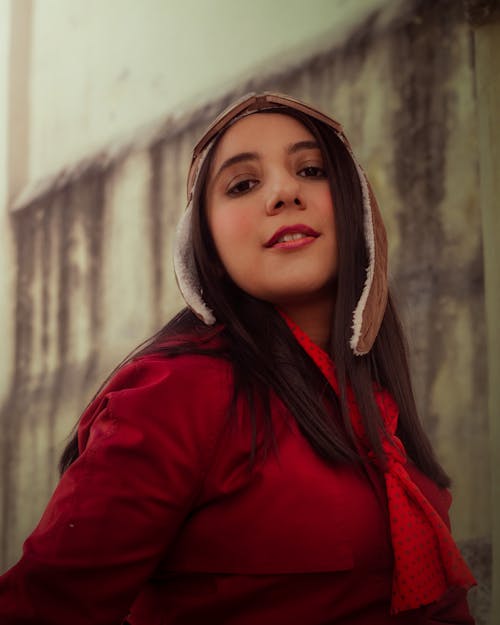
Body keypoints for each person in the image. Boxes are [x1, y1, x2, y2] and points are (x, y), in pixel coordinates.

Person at [0, 92, 476, 624]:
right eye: (243, 184)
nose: (283, 192)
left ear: (357, 211)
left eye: (312, 169)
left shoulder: (379, 406)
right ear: (208, 251)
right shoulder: (178, 393)